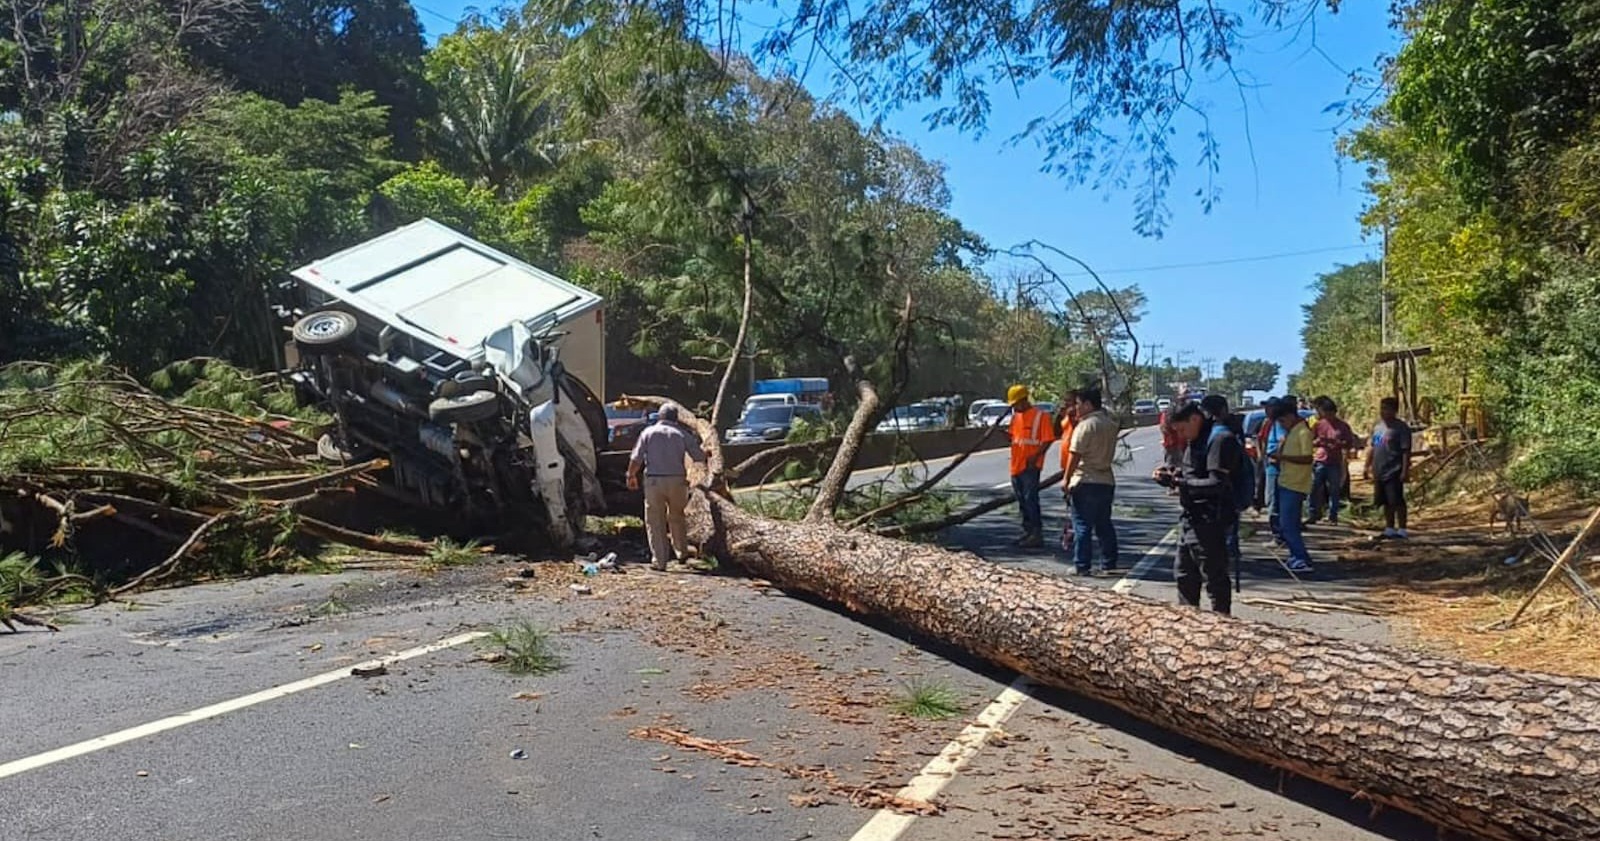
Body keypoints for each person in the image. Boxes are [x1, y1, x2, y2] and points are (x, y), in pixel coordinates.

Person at [1153, 400, 1241, 614]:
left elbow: (1217, 484)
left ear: (1195, 418)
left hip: (1210, 520)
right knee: (1184, 576)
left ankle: (1222, 626)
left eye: (1182, 429)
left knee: (1214, 578)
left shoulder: (1219, 440)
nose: (1181, 435)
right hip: (1191, 518)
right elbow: (1193, 472)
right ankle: (1189, 625)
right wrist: (1171, 473)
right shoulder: (1196, 439)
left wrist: (1179, 483)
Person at [626, 403, 708, 571]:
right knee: (677, 516)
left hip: (654, 481)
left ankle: (660, 560)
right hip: (677, 481)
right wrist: (708, 453)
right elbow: (698, 457)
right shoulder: (681, 434)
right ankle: (681, 552)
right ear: (675, 418)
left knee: (655, 520)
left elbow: (636, 458)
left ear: (660, 416)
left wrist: (631, 474)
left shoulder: (648, 433)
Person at [1063, 386, 1120, 575]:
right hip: (1106, 480)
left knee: (1082, 525)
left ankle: (1082, 564)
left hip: (1085, 479)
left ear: (1087, 404)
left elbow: (1075, 455)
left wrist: (1066, 479)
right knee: (1104, 523)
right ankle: (1109, 562)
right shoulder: (1110, 424)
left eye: (1078, 404)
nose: (1076, 408)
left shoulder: (1085, 425)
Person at [1006, 385, 1057, 547]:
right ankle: (1027, 531)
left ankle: (1036, 534)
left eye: (1016, 404)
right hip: (1016, 465)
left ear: (1024, 400)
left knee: (1030, 500)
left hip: (1030, 466)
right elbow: (1014, 438)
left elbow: (1048, 439)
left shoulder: (1040, 417)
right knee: (1022, 501)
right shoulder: (1015, 418)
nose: (1014, 407)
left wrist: (1035, 456)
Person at [1269, 401, 1316, 572]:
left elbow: (1307, 458)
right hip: (1285, 480)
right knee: (1286, 523)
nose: (1282, 425)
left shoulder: (1303, 432)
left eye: (1282, 421)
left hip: (1296, 484)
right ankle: (1295, 555)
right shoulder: (1291, 432)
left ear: (1290, 416)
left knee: (1288, 524)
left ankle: (1302, 558)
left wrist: (1283, 457)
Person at [1365, 396, 1413, 539]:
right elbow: (1373, 448)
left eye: (1387, 409)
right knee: (1385, 501)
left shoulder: (1401, 428)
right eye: (1382, 408)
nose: (1383, 411)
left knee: (1396, 500)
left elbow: (1406, 451)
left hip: (1394, 469)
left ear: (1394, 410)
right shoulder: (1378, 428)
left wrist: (1405, 470)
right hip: (1379, 469)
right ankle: (1389, 527)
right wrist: (1367, 466)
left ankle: (1402, 528)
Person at [1307, 396, 1359, 525]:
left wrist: (1338, 443)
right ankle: (1313, 513)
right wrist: (1318, 442)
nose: (1327, 416)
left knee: (1334, 490)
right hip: (1320, 460)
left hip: (1335, 461)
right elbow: (1310, 440)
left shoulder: (1343, 426)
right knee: (1314, 488)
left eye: (1329, 413)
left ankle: (1332, 515)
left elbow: (1350, 443)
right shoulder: (1318, 425)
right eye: (1324, 413)